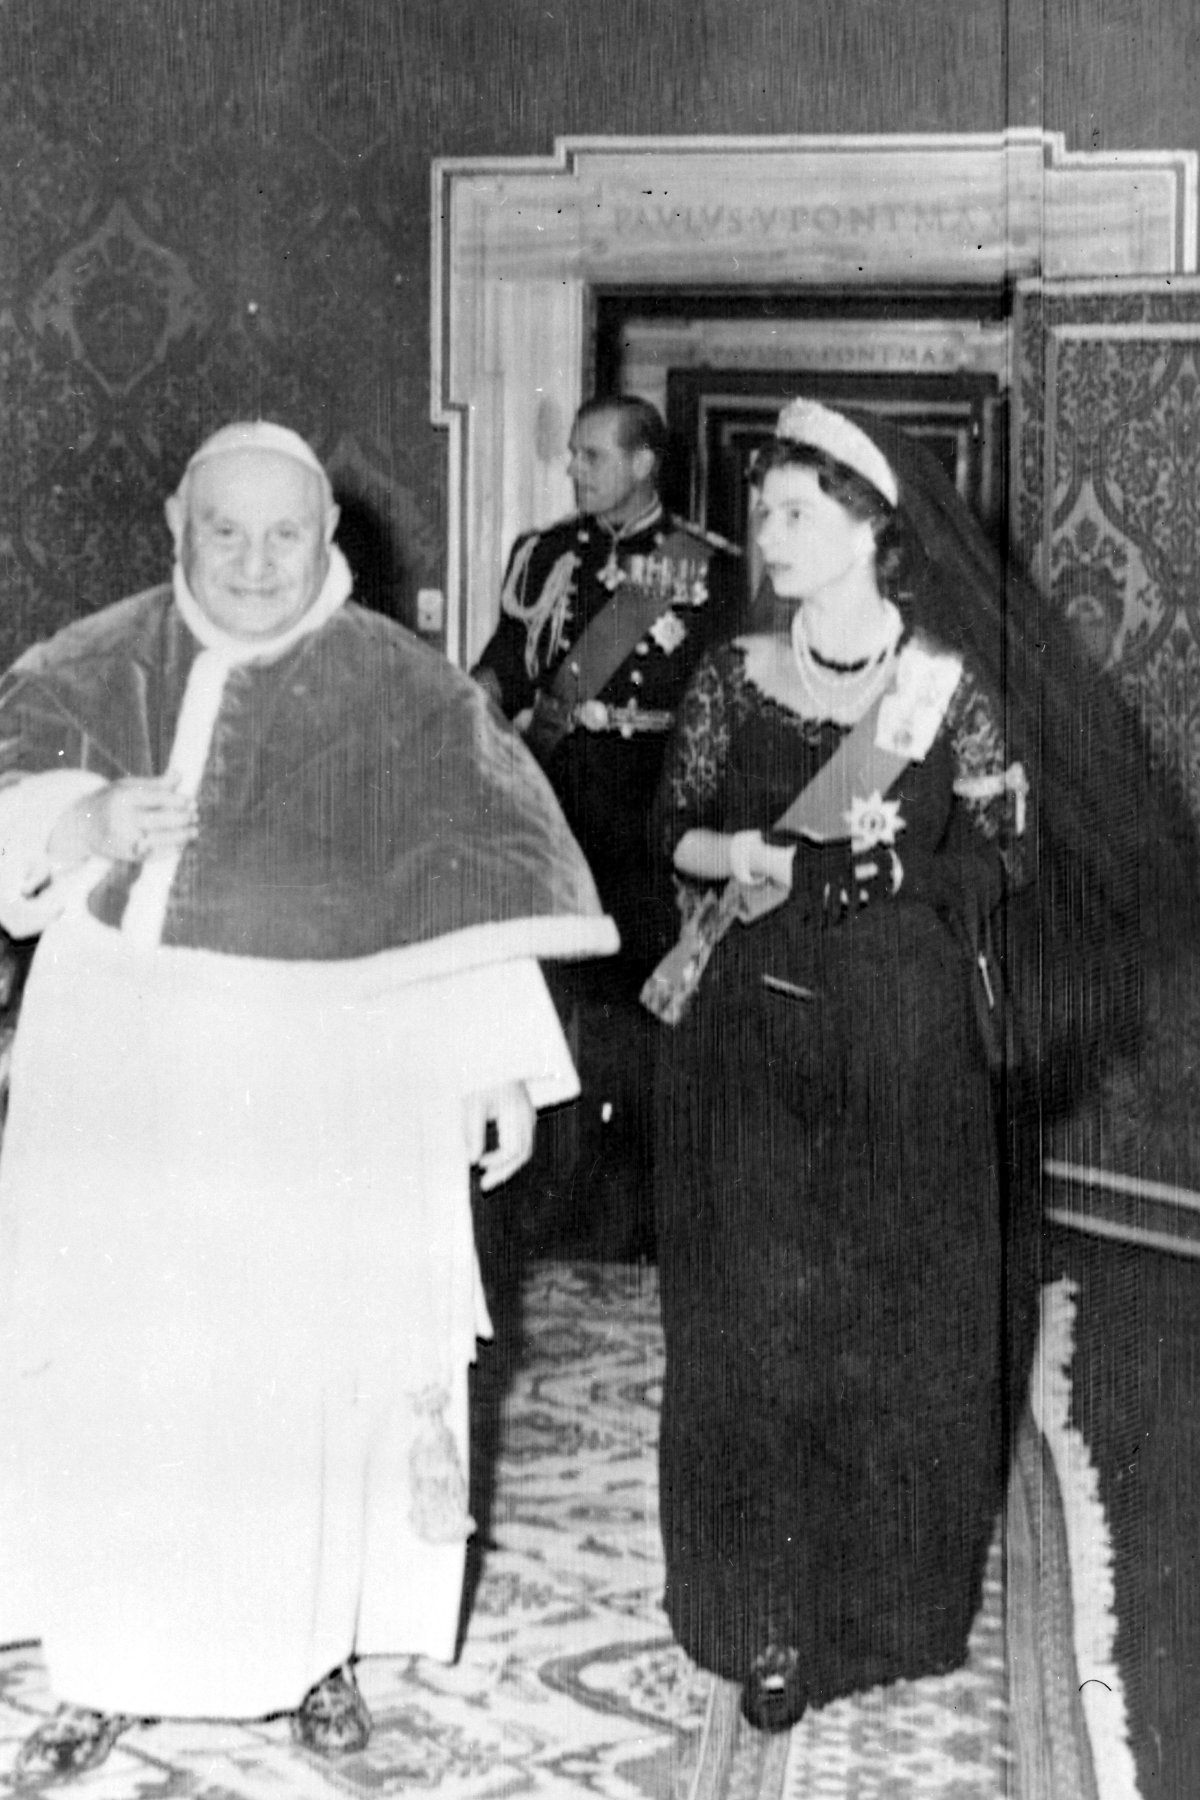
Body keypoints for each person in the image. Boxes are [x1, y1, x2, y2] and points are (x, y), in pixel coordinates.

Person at [0, 421, 617, 1783]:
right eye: (226, 530)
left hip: (328, 1077)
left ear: (329, 538)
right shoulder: (85, 660)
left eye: (287, 533)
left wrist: (495, 1063)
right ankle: (103, 1660)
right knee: (126, 1377)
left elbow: (480, 869)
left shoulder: (408, 691)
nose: (258, 561)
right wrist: (74, 821)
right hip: (123, 1073)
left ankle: (316, 1651)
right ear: (177, 523)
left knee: (308, 1379)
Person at [645, 395, 1154, 1732]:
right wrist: (747, 857)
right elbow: (676, 833)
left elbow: (1009, 858)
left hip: (904, 1039)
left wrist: (910, 872)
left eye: (798, 513)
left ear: (875, 532)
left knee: (884, 1317)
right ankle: (757, 1611)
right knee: (752, 1314)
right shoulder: (727, 677)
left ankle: (878, 1611)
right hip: (746, 1036)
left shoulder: (949, 690)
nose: (770, 534)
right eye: (763, 510)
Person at [473, 395, 740, 1257]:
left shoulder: (711, 570)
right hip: (553, 801)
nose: (574, 469)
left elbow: (727, 706)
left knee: (634, 1012)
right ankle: (550, 1199)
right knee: (548, 1003)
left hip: (647, 809)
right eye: (573, 455)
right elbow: (505, 669)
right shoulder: (545, 554)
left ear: (642, 463)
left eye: (592, 455)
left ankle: (634, 1215)